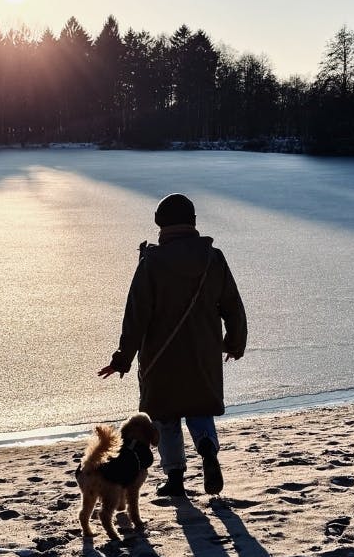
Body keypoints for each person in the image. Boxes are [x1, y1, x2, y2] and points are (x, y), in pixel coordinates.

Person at [98, 193, 247, 496]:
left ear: (160, 223)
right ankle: (206, 447)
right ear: (192, 222)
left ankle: (175, 477)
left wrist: (122, 359)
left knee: (165, 418)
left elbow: (136, 316)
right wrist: (234, 342)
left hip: (161, 356)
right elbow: (232, 305)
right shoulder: (213, 258)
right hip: (203, 353)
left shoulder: (152, 262)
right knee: (198, 408)